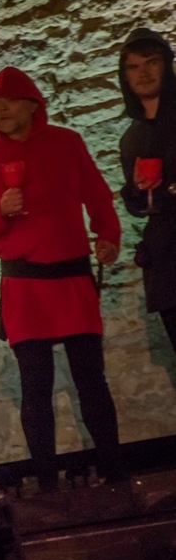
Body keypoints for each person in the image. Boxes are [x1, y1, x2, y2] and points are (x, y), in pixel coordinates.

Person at [0, 67, 125, 492]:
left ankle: (115, 472)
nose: (2, 110)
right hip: (24, 286)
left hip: (71, 278)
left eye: (10, 101)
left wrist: (108, 236)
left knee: (92, 381)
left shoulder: (67, 144)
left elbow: (97, 195)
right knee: (35, 388)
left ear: (33, 104)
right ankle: (47, 485)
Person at [118, 28, 176, 354]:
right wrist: (138, 190)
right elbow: (139, 207)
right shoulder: (132, 139)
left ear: (165, 65)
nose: (143, 73)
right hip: (167, 260)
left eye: (151, 62)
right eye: (134, 66)